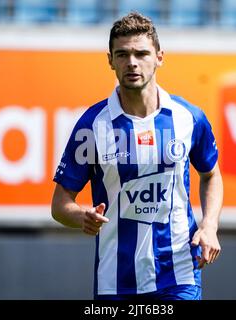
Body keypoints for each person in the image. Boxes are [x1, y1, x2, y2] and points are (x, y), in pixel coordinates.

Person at [51, 12, 223, 300]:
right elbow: (59, 203)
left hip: (179, 273)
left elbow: (211, 175)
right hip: (116, 281)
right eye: (123, 54)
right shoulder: (92, 126)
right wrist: (82, 216)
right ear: (110, 61)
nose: (132, 62)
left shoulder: (188, 118)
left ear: (159, 57)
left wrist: (209, 225)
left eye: (141, 53)